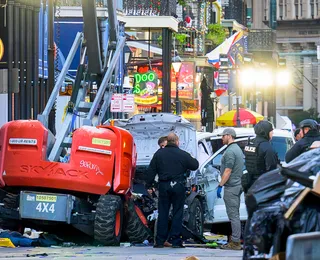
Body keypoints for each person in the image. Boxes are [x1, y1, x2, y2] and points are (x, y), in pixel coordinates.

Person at [145, 132, 199, 248]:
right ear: (177, 141)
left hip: (164, 186)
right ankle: (175, 241)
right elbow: (195, 165)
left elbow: (150, 171)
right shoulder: (182, 154)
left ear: (167, 141)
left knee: (163, 213)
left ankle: (159, 241)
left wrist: (149, 185)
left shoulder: (159, 154)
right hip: (178, 186)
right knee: (177, 213)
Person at [216, 128, 244, 250]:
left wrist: (220, 185)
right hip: (237, 185)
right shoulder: (237, 149)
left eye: (223, 136)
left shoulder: (231, 151)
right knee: (235, 214)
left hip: (232, 186)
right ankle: (235, 239)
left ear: (229, 136)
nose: (222, 138)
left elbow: (228, 170)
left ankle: (236, 242)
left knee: (233, 215)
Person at [243, 120, 278, 193]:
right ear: (266, 131)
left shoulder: (250, 143)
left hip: (249, 184)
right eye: (271, 131)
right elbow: (272, 169)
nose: (273, 133)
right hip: (262, 186)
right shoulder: (267, 147)